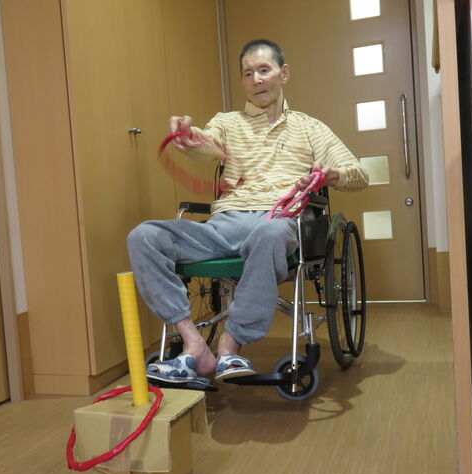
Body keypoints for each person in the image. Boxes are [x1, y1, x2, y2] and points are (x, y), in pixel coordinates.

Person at [127, 39, 368, 386]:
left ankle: (230, 344)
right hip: (224, 226)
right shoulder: (228, 123)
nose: (256, 79)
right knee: (143, 237)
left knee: (270, 231)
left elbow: (360, 174)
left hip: (278, 222)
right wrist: (188, 136)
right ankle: (194, 345)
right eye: (247, 73)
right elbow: (206, 144)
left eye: (264, 70)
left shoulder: (310, 128)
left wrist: (333, 176)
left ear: (283, 74)